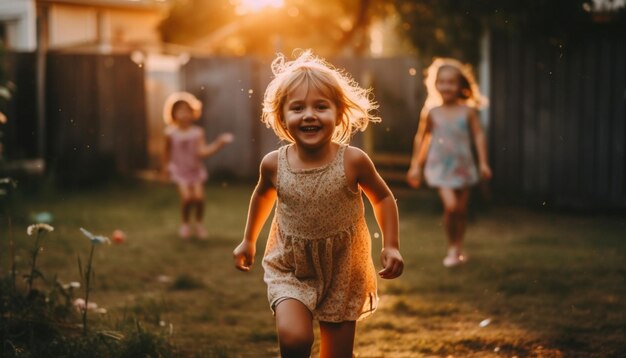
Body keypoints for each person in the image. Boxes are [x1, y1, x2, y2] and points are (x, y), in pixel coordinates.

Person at [233, 50, 404, 357]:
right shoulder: (274, 164)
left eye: (321, 107)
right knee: (295, 339)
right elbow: (262, 195)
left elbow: (383, 197)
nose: (309, 115)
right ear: (282, 117)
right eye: (297, 108)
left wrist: (390, 245)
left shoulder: (352, 161)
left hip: (343, 268)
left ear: (338, 114)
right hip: (290, 265)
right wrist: (248, 240)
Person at [406, 58, 492, 268]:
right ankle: (452, 247)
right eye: (442, 82)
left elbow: (479, 136)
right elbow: (422, 139)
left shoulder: (468, 112)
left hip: (462, 167)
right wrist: (416, 165)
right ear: (435, 85)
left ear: (460, 85)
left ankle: (457, 248)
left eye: (451, 82)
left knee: (461, 211)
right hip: (440, 168)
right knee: (452, 207)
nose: (446, 86)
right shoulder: (432, 113)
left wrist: (483, 163)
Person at [162, 91, 233, 240]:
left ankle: (199, 224)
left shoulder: (197, 132)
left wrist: (218, 144)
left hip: (195, 171)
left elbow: (202, 152)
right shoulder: (170, 133)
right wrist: (166, 168)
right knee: (187, 199)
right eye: (180, 111)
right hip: (179, 171)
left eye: (188, 110)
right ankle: (185, 224)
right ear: (173, 113)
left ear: (193, 112)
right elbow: (166, 152)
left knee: (199, 199)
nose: (184, 114)